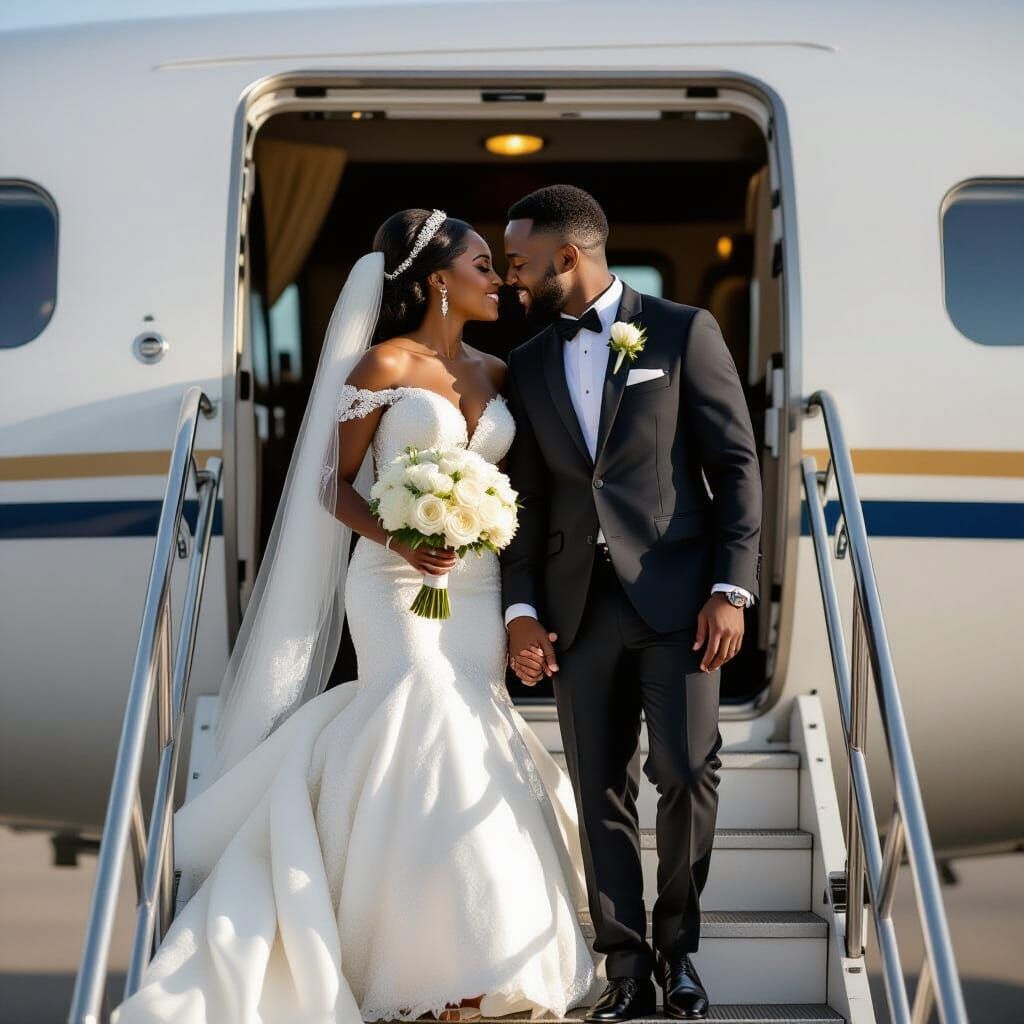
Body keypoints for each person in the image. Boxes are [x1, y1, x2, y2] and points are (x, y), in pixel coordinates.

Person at [110, 209, 598, 1024]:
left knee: (472, 719)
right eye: (484, 265)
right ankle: (424, 970)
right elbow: (331, 486)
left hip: (475, 585)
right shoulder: (382, 364)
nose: (500, 280)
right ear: (439, 278)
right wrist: (400, 538)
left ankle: (479, 952)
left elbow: (523, 488)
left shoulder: (500, 372)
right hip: (390, 580)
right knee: (422, 705)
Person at [501, 185, 763, 1022]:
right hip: (577, 610)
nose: (510, 277)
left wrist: (732, 585)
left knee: (686, 770)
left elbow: (735, 465)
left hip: (683, 602)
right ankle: (625, 968)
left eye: (519, 262)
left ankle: (679, 953)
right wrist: (519, 609)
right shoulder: (532, 360)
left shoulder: (685, 331)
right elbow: (528, 497)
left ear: (567, 257)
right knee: (598, 789)